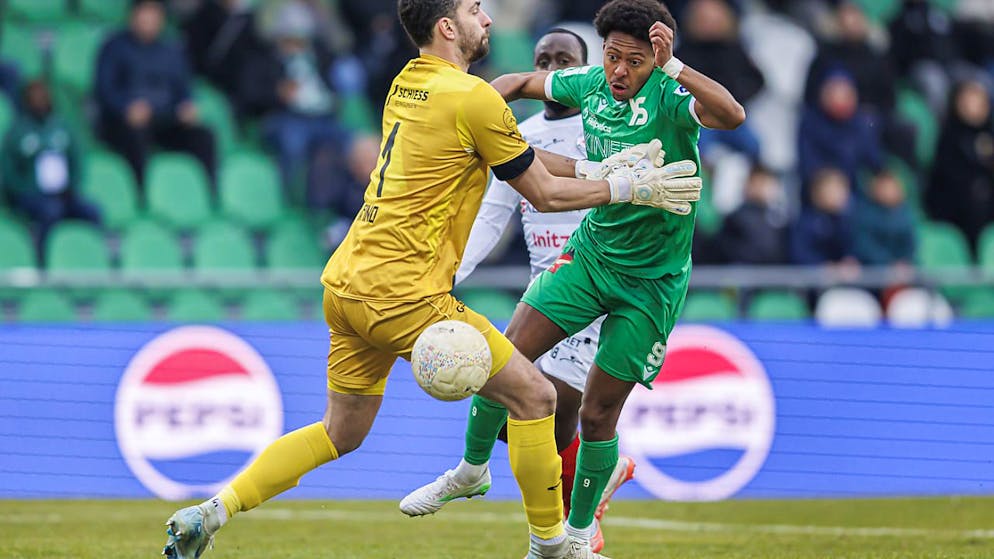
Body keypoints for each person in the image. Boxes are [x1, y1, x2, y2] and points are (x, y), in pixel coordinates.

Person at [160, 0, 700, 558]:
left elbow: (517, 155)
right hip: (406, 294)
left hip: (347, 282)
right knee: (535, 396)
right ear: (447, 27)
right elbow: (543, 192)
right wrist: (628, 187)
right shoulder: (475, 99)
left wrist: (594, 167)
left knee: (339, 432)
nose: (486, 20)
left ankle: (211, 512)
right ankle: (552, 547)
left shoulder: (408, 83)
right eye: (474, 9)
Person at [400, 0, 745, 552]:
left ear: (656, 59)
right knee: (505, 357)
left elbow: (731, 115)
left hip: (651, 283)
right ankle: (470, 470)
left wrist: (675, 67)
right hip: (590, 258)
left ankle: (578, 536)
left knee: (596, 414)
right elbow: (516, 82)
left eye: (635, 61)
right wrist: (467, 106)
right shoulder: (588, 84)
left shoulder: (670, 96)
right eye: (612, 56)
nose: (620, 71)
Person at [399, 28, 634, 551]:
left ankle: (568, 519)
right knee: (511, 400)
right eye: (543, 60)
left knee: (554, 409)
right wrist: (446, 275)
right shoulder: (518, 133)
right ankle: (582, 500)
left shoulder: (602, 131)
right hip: (546, 289)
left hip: (596, 288)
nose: (552, 70)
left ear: (583, 70)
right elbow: (491, 217)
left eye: (564, 61)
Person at [95, 0, 217, 190]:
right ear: (133, 16)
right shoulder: (114, 47)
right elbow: (104, 89)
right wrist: (125, 107)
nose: (149, 20)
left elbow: (183, 87)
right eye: (145, 14)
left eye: (154, 14)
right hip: (127, 122)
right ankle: (142, 192)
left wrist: (187, 104)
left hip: (165, 119)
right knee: (136, 136)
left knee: (203, 136)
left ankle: (209, 191)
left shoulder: (171, 50)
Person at [1, 80, 100, 250]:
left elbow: (76, 162)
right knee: (50, 211)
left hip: (63, 193)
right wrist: (27, 188)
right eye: (34, 97)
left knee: (92, 211)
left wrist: (70, 187)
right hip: (32, 195)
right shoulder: (16, 131)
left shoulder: (62, 126)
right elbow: (9, 172)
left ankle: (94, 254)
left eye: (42, 96)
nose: (39, 100)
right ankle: (43, 255)